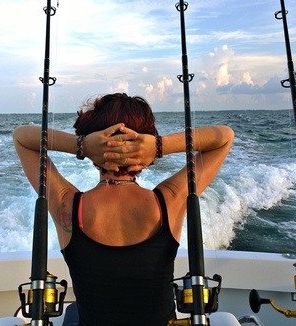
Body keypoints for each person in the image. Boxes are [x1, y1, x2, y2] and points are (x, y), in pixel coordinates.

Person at [13, 93, 234, 326]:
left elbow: (22, 138)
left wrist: (81, 146)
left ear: (94, 143)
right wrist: (160, 146)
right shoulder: (169, 200)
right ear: (146, 144)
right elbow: (224, 137)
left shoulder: (68, 205)